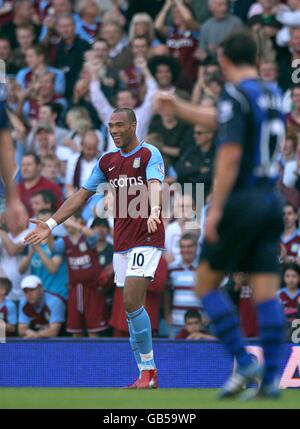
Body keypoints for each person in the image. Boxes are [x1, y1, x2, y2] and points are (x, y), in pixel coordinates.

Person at [156, 30, 286, 399]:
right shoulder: (271, 92)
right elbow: (225, 118)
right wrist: (182, 110)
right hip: (269, 200)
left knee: (205, 285)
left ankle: (244, 362)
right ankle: (272, 379)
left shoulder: (233, 93)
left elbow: (229, 154)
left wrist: (216, 208)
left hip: (240, 201)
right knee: (265, 294)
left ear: (225, 60)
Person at [25, 107, 165, 389]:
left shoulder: (149, 153)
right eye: (110, 126)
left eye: (119, 125)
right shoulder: (107, 161)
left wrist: (155, 209)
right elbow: (81, 196)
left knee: (131, 300)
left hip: (147, 236)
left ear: (133, 125)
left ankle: (150, 371)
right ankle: (145, 373)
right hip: (122, 240)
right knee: (130, 308)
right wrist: (51, 224)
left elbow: (154, 184)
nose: (113, 130)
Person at [53, 214, 109, 337]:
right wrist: (47, 230)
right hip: (75, 289)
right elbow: (54, 249)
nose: (67, 223)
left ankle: (94, 355)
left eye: (71, 219)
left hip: (92, 289)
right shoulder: (64, 241)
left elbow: (94, 236)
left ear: (79, 221)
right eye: (66, 221)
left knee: (94, 331)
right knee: (75, 330)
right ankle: (77, 356)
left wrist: (74, 224)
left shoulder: (86, 238)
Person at [18, 274, 66, 338]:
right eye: (26, 291)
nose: (29, 294)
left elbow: (53, 332)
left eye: (32, 290)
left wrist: (35, 335)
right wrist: (27, 332)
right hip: (36, 339)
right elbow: (21, 329)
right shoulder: (23, 303)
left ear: (41, 289)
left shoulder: (55, 301)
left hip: (62, 340)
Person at [276, 263, 300, 339]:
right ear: (283, 278)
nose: (291, 279)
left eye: (294, 276)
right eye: (287, 276)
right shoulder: (278, 295)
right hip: (283, 337)